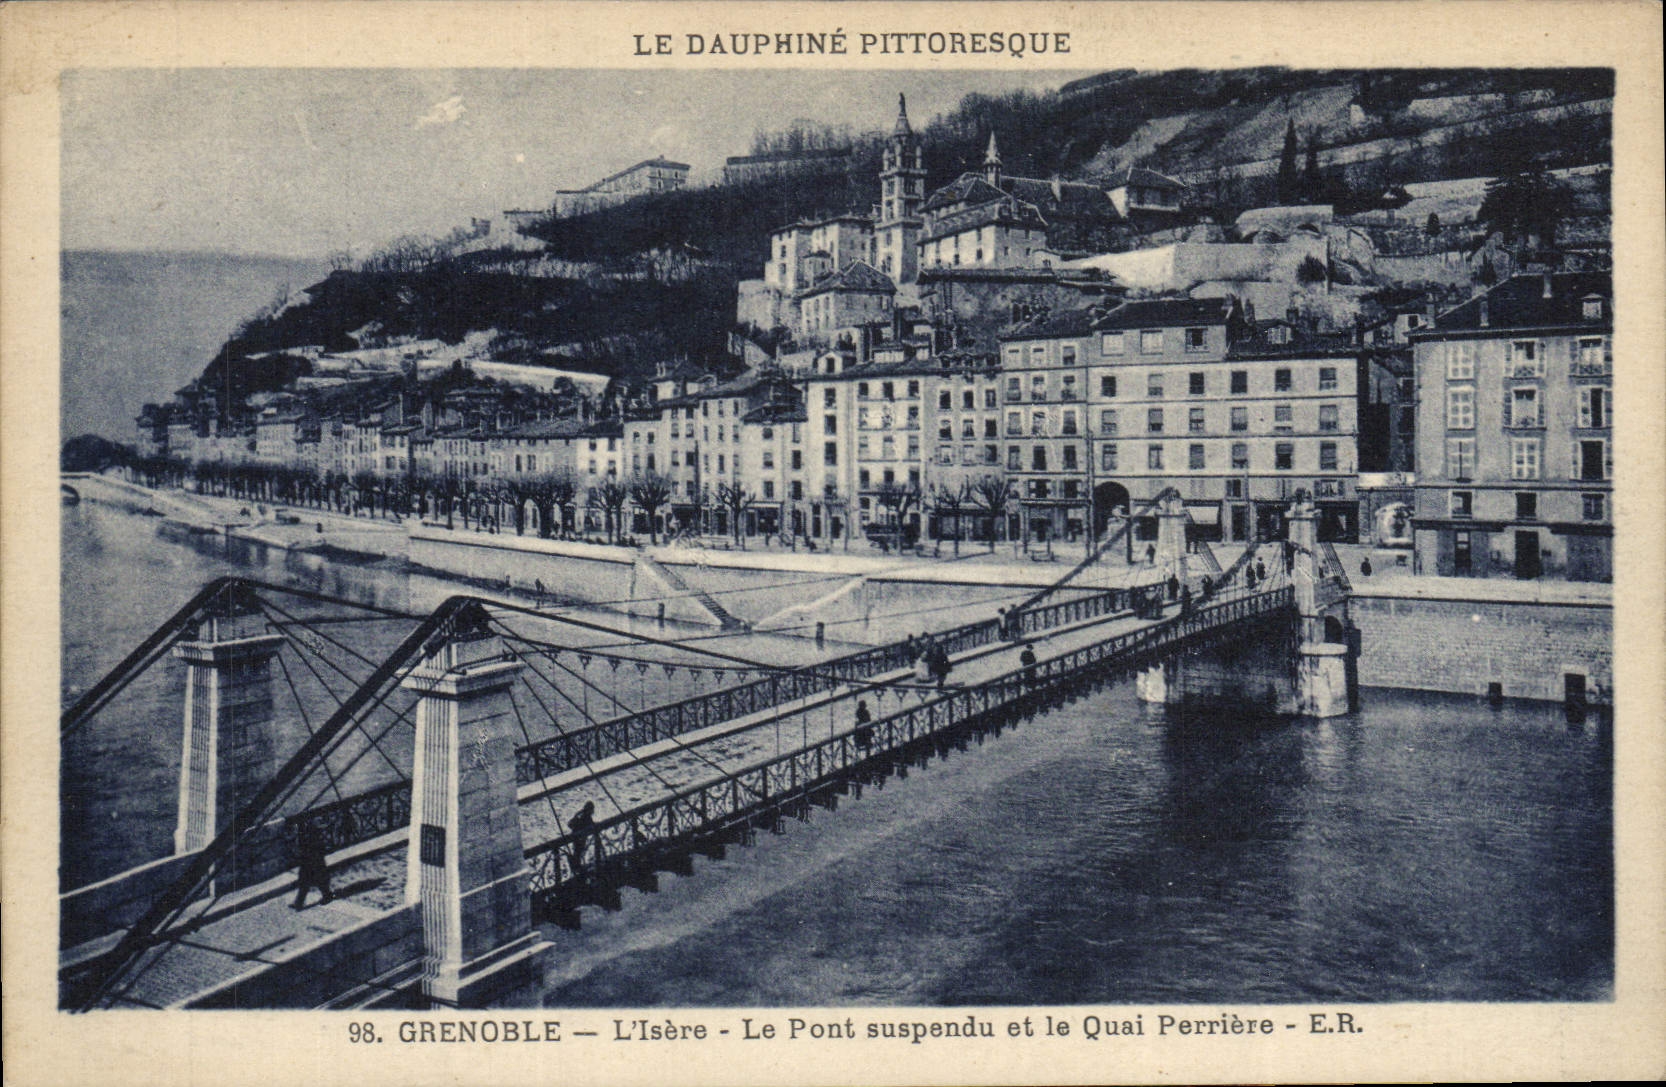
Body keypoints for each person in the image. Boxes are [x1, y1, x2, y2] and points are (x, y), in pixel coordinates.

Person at [291, 823, 333, 909]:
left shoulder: (315, 841)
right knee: (305, 881)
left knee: (316, 880)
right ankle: (299, 902)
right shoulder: (312, 839)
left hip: (314, 862)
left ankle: (327, 896)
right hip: (309, 862)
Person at [568, 800, 596, 872]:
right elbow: (591, 824)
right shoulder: (586, 816)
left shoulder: (580, 813)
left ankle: (576, 866)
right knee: (579, 850)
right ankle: (576, 866)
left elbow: (571, 823)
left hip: (576, 835)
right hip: (580, 836)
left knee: (577, 851)